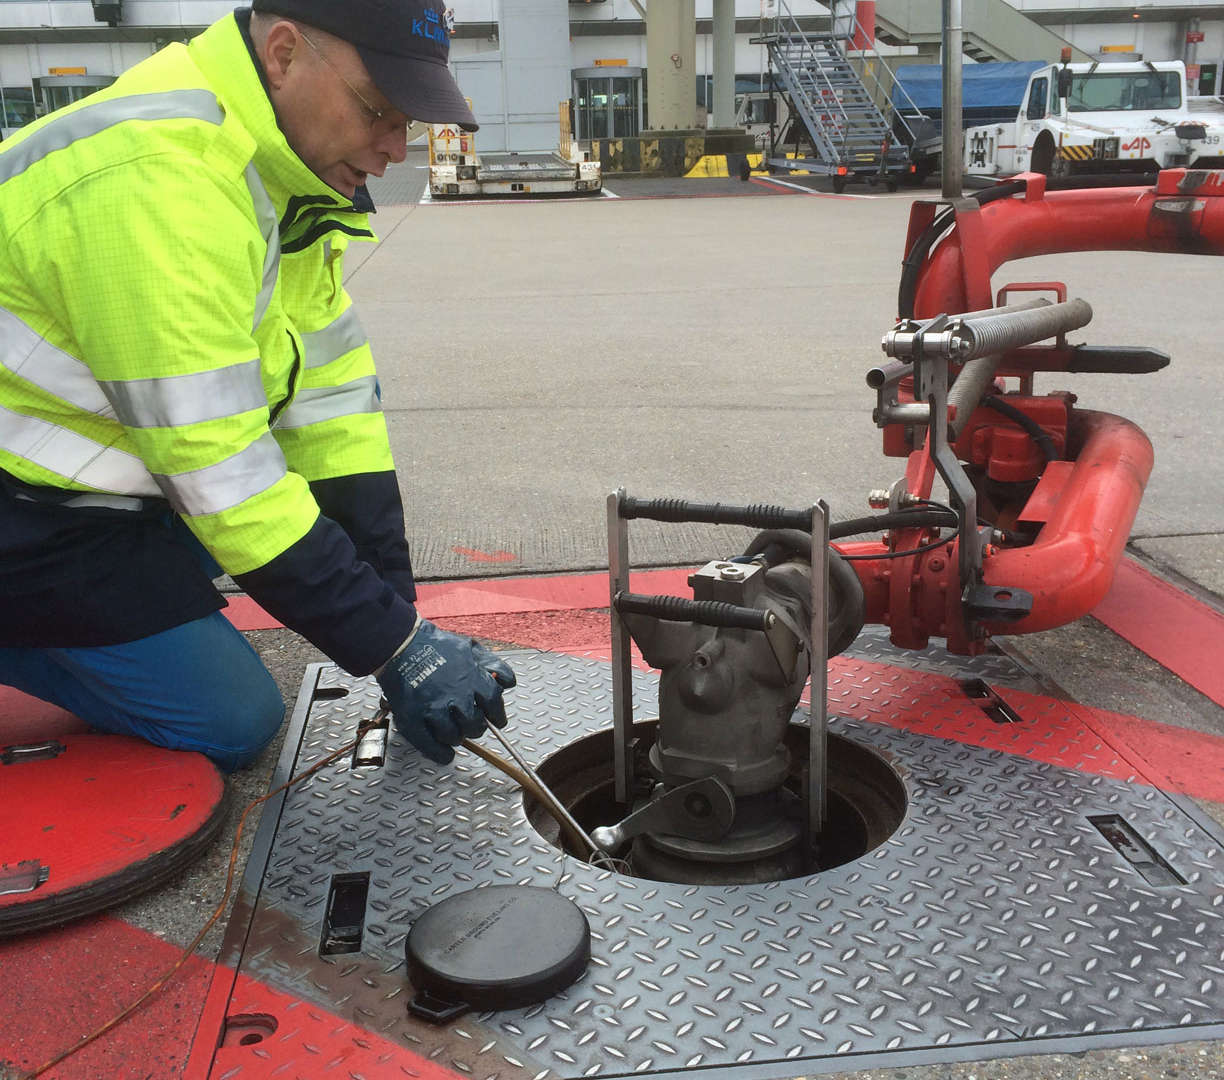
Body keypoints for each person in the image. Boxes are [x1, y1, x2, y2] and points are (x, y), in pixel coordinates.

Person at [0, 0, 514, 771]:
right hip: (25, 508)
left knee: (294, 559)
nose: (392, 151)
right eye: (379, 111)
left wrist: (396, 612)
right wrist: (393, 648)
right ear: (282, 53)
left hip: (98, 484)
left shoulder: (282, 178)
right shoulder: (160, 184)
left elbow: (331, 404)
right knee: (234, 719)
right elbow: (221, 472)